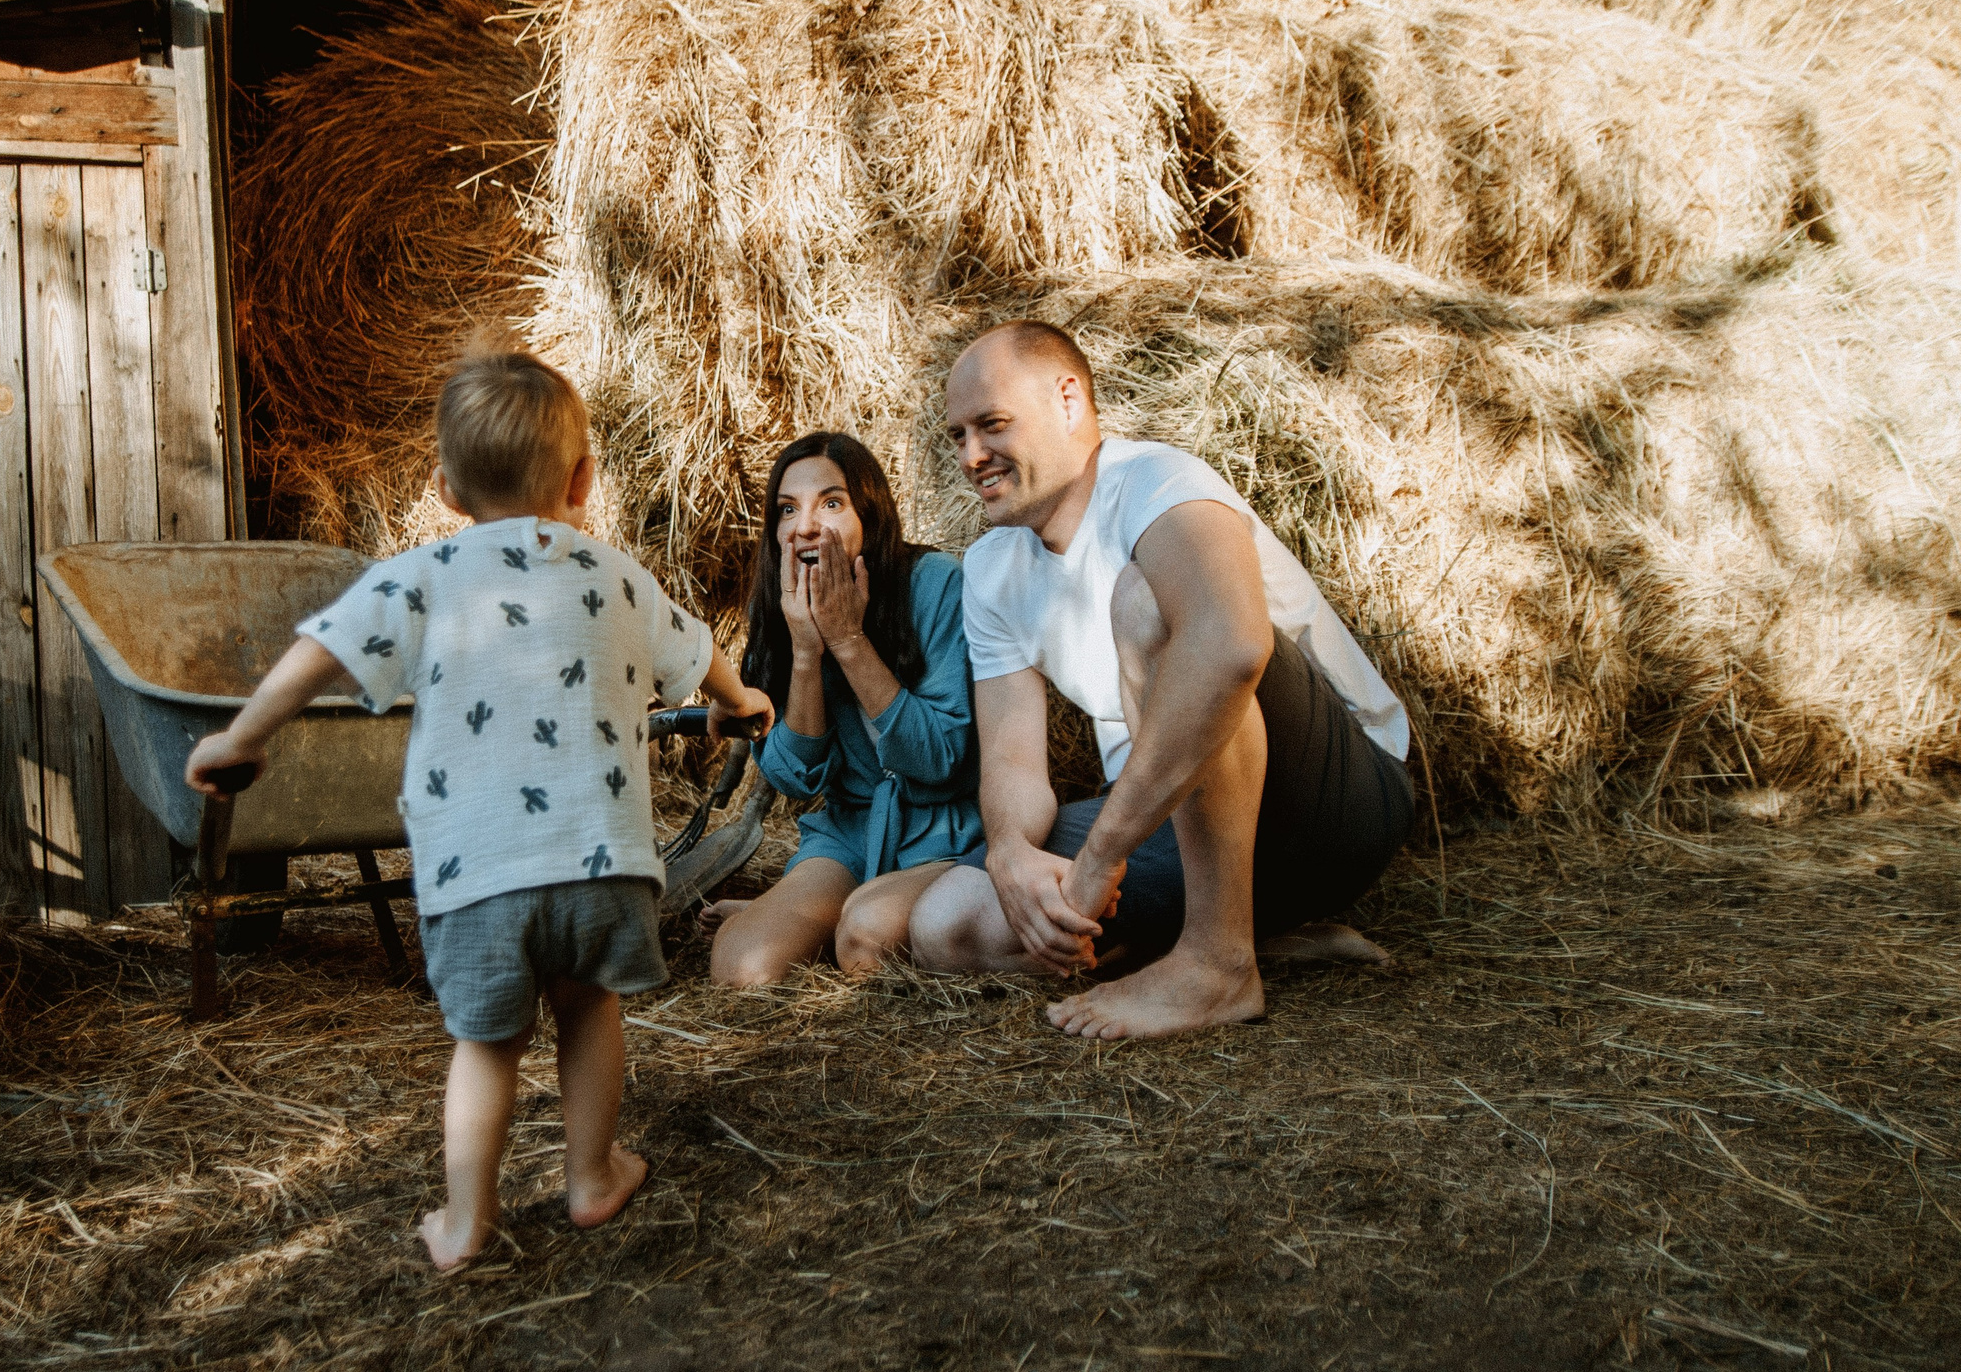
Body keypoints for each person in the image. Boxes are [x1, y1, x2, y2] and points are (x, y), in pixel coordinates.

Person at [184, 339, 774, 1270]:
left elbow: (323, 650)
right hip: (603, 864)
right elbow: (697, 653)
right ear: (582, 479)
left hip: (478, 873)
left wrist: (243, 737)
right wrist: (739, 704)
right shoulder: (620, 574)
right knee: (588, 1008)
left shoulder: (422, 574)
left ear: (447, 490)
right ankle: (592, 1175)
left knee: (487, 1045)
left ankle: (467, 1219)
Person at [908, 321, 1413, 1040]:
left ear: (1068, 400)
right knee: (947, 926)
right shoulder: (991, 569)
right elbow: (1014, 765)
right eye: (957, 436)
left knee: (1146, 601)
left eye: (992, 425)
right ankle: (1250, 937)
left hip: (1336, 803)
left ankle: (1218, 963)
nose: (971, 456)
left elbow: (1234, 646)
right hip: (1175, 823)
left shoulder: (1155, 481)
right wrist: (1011, 854)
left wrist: (1101, 856)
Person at [698, 434, 982, 984]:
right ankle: (816, 912)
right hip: (851, 832)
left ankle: (835, 917)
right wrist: (806, 651)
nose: (804, 526)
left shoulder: (937, 584)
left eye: (831, 503)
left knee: (865, 945)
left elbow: (941, 758)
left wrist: (848, 641)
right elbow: (794, 778)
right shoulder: (777, 604)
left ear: (868, 516)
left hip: (946, 834)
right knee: (742, 968)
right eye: (787, 509)